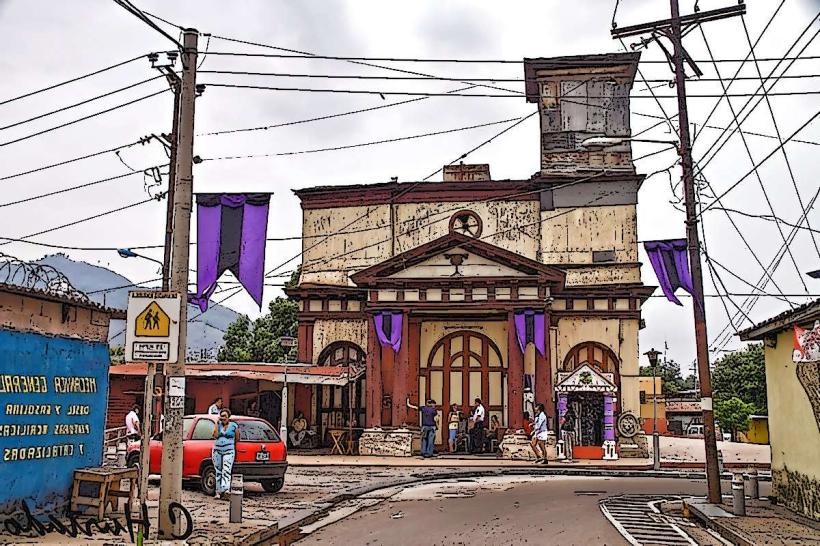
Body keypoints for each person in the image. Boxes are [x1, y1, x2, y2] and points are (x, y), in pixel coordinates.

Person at [211, 409, 239, 499]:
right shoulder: (218, 425)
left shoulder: (234, 425)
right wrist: (216, 423)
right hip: (217, 450)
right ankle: (218, 491)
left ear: (228, 417)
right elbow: (215, 435)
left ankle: (226, 490)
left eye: (225, 416)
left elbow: (237, 437)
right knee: (218, 471)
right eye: (221, 416)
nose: (223, 418)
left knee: (226, 470)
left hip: (229, 450)